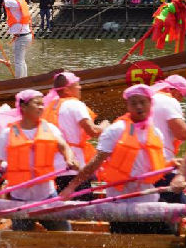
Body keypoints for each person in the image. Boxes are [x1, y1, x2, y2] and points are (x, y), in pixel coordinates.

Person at [60, 84, 171, 234]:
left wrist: (176, 167)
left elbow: (161, 166)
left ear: (151, 104)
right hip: (120, 201)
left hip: (148, 199)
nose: (139, 106)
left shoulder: (156, 133)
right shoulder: (116, 130)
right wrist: (71, 187)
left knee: (167, 230)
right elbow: (94, 163)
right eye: (134, 103)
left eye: (143, 102)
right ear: (127, 106)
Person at [0, 90, 78, 231]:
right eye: (37, 104)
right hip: (19, 200)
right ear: (23, 106)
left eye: (43, 104)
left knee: (65, 234)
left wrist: (69, 159)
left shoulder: (50, 129)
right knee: (21, 242)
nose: (41, 107)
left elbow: (64, 147)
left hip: (47, 196)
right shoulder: (7, 134)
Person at [42, 71, 106, 195]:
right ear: (67, 89)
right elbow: (92, 130)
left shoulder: (48, 107)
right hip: (74, 167)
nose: (80, 87)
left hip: (53, 169)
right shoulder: (75, 104)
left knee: (62, 210)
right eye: (77, 84)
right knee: (83, 209)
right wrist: (105, 126)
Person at [151, 76, 186, 200]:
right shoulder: (169, 101)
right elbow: (182, 133)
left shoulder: (147, 98)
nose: (181, 99)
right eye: (181, 95)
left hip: (142, 165)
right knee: (179, 206)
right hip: (162, 165)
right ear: (173, 90)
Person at [3, 0, 32, 77]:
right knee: (21, 60)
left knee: (18, 61)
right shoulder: (21, 0)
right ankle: (24, 79)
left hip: (22, 37)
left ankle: (19, 81)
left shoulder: (14, 2)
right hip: (25, 35)